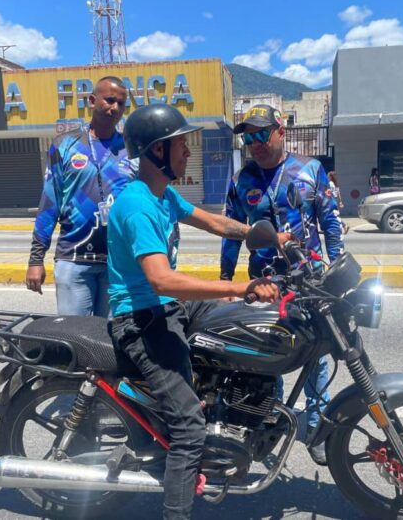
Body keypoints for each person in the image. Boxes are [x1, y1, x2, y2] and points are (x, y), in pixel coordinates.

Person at [107, 104, 282, 520]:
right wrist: (239, 286)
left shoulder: (162, 194)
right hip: (141, 318)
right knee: (189, 429)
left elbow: (218, 224)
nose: (188, 153)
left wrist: (274, 237)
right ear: (155, 152)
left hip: (167, 307)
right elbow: (162, 280)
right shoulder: (138, 206)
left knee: (241, 324)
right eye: (181, 145)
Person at [221, 104, 345, 466]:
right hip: (265, 281)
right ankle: (269, 422)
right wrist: (226, 278)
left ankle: (317, 427)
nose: (255, 142)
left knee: (318, 357)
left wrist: (336, 268)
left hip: (311, 279)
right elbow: (231, 232)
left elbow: (331, 222)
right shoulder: (242, 180)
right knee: (268, 354)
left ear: (281, 130)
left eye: (262, 133)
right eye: (249, 137)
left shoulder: (309, 170)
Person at [25, 76, 136, 316]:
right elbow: (49, 203)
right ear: (92, 101)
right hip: (73, 259)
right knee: (77, 339)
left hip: (117, 262)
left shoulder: (130, 148)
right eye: (109, 100)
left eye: (121, 103)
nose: (115, 108)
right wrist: (36, 259)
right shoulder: (65, 144)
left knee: (112, 339)